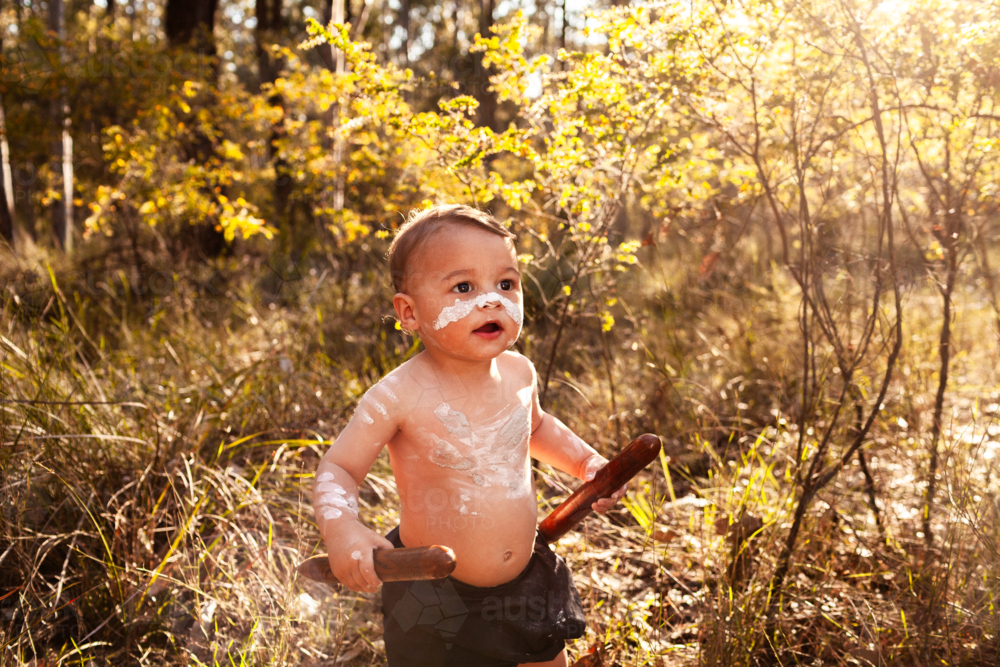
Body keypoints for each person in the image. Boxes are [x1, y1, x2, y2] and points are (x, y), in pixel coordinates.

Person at [312, 204, 627, 667]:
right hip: (435, 590)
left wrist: (588, 465)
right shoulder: (399, 394)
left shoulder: (519, 372)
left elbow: (534, 427)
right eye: (463, 287)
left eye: (506, 283)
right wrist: (343, 532)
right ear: (410, 313)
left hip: (525, 578)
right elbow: (339, 467)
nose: (491, 300)